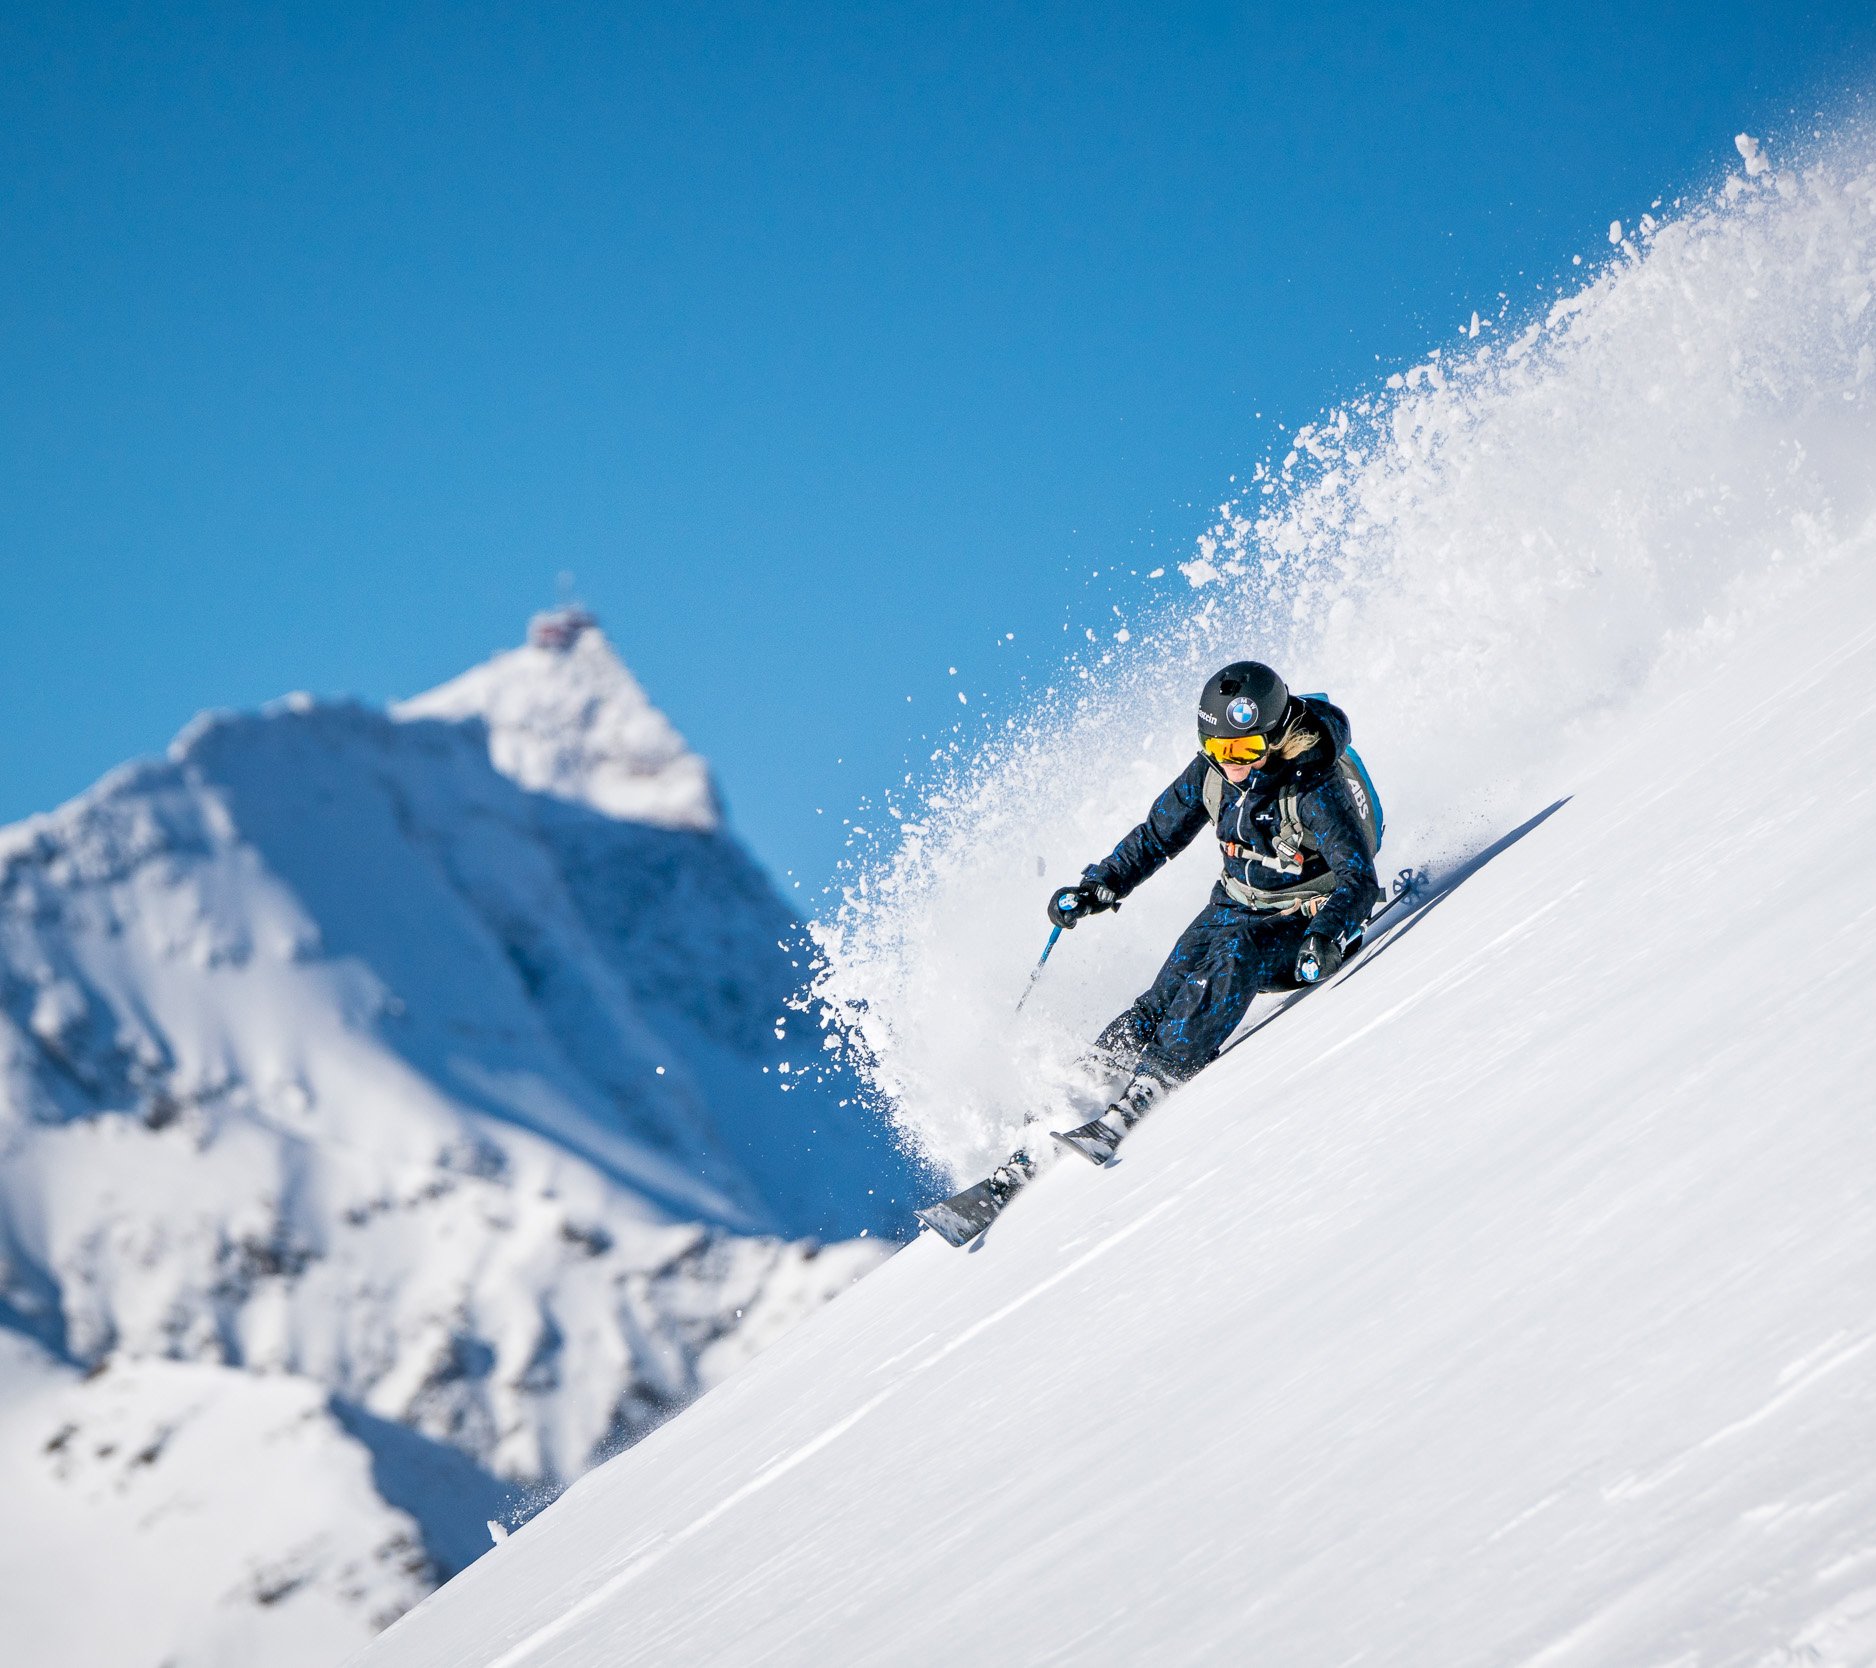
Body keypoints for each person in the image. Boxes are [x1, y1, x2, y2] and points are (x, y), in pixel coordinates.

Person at [1045, 659, 1381, 1165]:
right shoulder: (1214, 775)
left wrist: (1327, 934)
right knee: (1157, 1003)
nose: (1234, 764)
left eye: (1246, 749)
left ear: (1277, 734)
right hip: (1232, 906)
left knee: (1233, 957)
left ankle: (1150, 1086)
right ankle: (1078, 1089)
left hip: (1303, 921)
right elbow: (1156, 837)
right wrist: (1099, 887)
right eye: (1220, 750)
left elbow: (1359, 878)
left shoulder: (1313, 785)